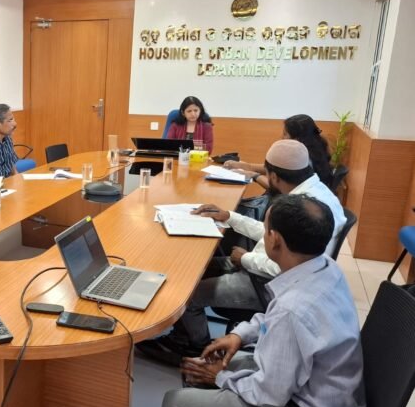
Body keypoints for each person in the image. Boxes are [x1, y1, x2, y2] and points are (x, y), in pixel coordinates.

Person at [137, 139, 347, 364]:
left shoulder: (304, 206)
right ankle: (184, 331)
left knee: (188, 295)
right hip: (261, 264)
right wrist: (229, 216)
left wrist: (245, 259)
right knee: (192, 268)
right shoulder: (313, 193)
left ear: (274, 177)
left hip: (264, 280)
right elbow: (270, 234)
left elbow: (288, 266)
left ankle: (193, 346)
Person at [162, 194, 365, 407]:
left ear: (275, 239)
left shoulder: (292, 310)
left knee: (174, 401)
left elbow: (268, 394)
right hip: (313, 387)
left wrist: (219, 377)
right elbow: (274, 316)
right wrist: (239, 335)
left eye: (266, 229)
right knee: (205, 364)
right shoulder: (325, 267)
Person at [223, 114, 333, 189]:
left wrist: (254, 175)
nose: (281, 137)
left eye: (285, 134)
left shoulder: (303, 160)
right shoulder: (315, 149)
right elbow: (279, 170)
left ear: (297, 138)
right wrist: (247, 166)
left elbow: (280, 189)